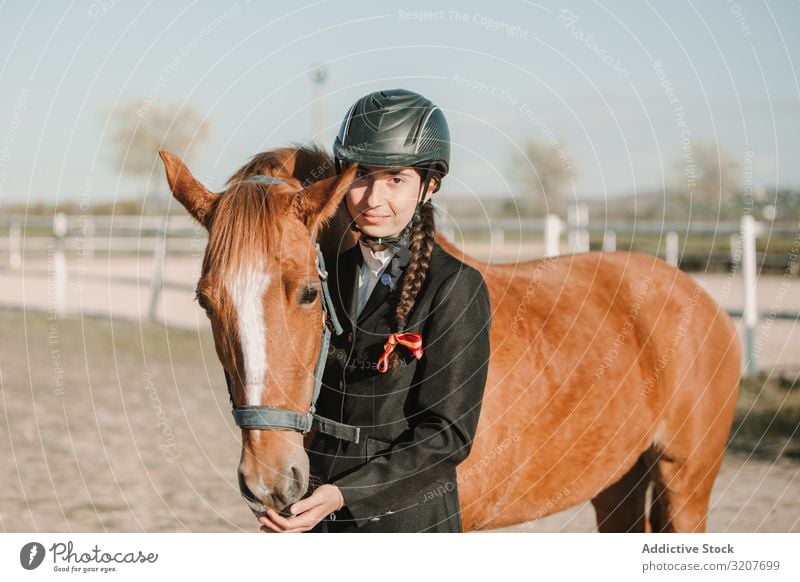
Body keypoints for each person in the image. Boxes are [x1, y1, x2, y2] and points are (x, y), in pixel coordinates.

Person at [258, 88, 492, 533]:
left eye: (396, 179)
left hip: (406, 517)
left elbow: (448, 436)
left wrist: (345, 494)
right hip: (312, 505)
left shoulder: (456, 286)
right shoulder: (323, 272)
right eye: (362, 175)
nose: (371, 198)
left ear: (430, 185)